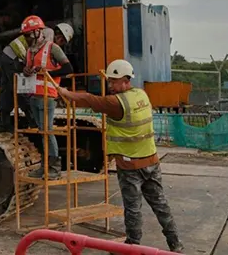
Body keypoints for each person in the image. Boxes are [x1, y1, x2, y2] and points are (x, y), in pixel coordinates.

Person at [57, 59, 184, 253]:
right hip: (151, 161)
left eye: (114, 81)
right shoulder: (141, 95)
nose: (110, 85)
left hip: (130, 165)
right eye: (110, 81)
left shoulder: (116, 102)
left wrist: (65, 93)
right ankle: (175, 243)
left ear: (126, 80)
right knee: (160, 204)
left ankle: (132, 247)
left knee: (132, 209)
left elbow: (89, 99)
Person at [22, 16, 74, 179]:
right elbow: (30, 70)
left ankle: (54, 168)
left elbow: (68, 68)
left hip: (47, 97)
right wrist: (27, 71)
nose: (27, 38)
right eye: (26, 35)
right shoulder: (30, 51)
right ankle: (45, 167)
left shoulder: (53, 48)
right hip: (34, 96)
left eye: (29, 34)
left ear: (38, 32)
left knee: (47, 131)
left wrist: (47, 73)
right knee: (42, 132)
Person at [0, 25, 54, 133]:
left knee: (8, 88)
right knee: (21, 88)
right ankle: (32, 119)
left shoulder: (37, 34)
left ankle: (3, 123)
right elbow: (35, 56)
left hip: (7, 57)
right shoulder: (43, 38)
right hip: (12, 60)